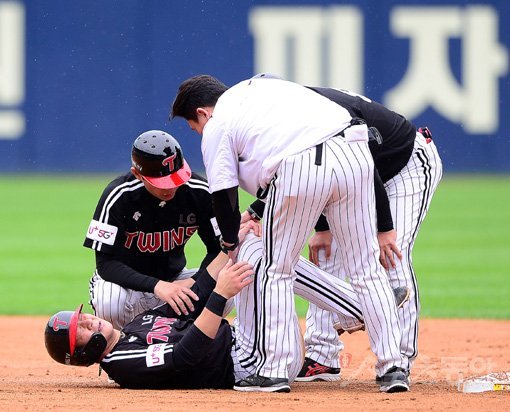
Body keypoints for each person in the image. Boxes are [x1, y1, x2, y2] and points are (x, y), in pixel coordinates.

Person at [170, 75, 409, 392]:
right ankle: (393, 368)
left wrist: (229, 242)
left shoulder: (217, 123)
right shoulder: (267, 87)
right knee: (366, 268)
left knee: (275, 269)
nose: (199, 132)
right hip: (354, 151)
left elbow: (224, 194)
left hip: (301, 164)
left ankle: (274, 370)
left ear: (202, 112)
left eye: (194, 127)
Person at [45, 226, 410, 391]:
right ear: (82, 354)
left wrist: (228, 246)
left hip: (256, 343)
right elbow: (185, 356)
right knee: (258, 256)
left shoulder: (136, 327)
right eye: (81, 329)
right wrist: (221, 297)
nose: (89, 319)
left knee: (253, 247)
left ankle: (354, 309)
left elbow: (196, 293)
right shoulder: (125, 364)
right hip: (251, 363)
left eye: (82, 316)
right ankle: (357, 308)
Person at [293, 87, 442, 384]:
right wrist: (322, 229)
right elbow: (317, 173)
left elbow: (365, 164)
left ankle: (398, 360)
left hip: (407, 166)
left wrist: (384, 229)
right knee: (326, 253)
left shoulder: (317, 112)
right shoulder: (289, 118)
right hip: (357, 174)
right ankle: (322, 356)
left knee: (392, 256)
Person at [84, 130, 222, 329]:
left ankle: (179, 341)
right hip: (126, 285)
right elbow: (106, 264)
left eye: (175, 178)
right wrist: (157, 286)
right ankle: (126, 342)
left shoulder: (199, 192)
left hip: (175, 279)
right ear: (137, 174)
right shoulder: (118, 196)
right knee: (110, 302)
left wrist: (194, 280)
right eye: (162, 183)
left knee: (223, 287)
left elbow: (219, 250)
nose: (170, 187)